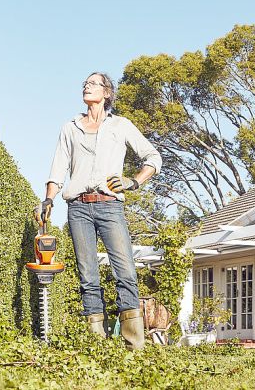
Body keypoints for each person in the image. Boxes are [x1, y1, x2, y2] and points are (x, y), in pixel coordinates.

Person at [37, 72, 161, 350]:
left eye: (92, 83)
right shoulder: (70, 127)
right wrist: (48, 200)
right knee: (88, 277)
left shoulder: (121, 126)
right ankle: (96, 345)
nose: (86, 86)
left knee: (126, 272)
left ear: (107, 93)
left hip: (110, 207)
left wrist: (133, 181)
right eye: (84, 83)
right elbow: (58, 169)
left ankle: (134, 347)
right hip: (78, 208)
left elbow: (153, 158)